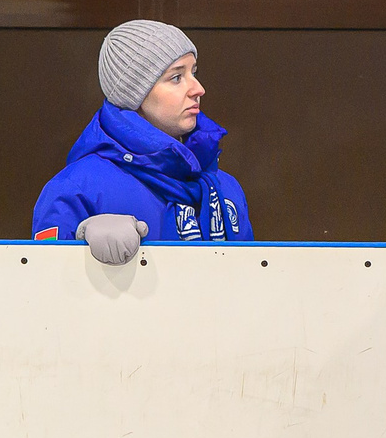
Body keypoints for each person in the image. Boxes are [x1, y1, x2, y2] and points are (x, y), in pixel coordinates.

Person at [32, 20, 251, 261]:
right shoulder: (77, 189)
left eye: (194, 73)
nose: (198, 88)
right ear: (134, 94)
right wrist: (79, 243)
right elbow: (41, 288)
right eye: (177, 77)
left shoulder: (225, 187)